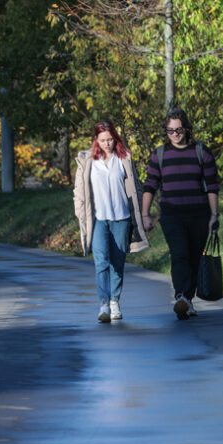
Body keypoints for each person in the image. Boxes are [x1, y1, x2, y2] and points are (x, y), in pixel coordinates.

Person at [141, 107, 220, 320]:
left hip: (199, 214)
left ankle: (188, 300)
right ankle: (181, 297)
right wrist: (144, 215)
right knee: (179, 254)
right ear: (165, 132)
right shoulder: (159, 155)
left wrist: (214, 216)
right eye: (170, 131)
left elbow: (212, 187)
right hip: (172, 214)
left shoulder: (202, 152)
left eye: (179, 129)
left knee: (195, 257)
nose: (175, 134)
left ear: (187, 128)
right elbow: (150, 186)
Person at [74, 120, 150, 323]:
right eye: (103, 140)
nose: (107, 144)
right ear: (96, 141)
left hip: (121, 218)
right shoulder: (88, 161)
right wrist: (81, 214)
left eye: (110, 139)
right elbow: (78, 193)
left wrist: (142, 213)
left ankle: (115, 301)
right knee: (101, 262)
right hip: (98, 219)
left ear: (115, 138)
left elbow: (136, 188)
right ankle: (104, 304)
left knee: (118, 262)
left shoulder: (123, 158)